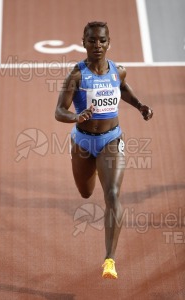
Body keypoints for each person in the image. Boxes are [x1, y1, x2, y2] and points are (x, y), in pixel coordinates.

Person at [55, 21, 153, 279]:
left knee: (112, 194)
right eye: (92, 41)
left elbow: (122, 89)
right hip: (83, 143)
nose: (97, 45)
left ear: (109, 42)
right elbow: (59, 111)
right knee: (86, 194)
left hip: (111, 140)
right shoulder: (76, 75)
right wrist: (76, 118)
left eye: (102, 40)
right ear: (83, 42)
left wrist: (140, 105)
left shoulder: (118, 71)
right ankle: (95, 169)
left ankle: (109, 260)